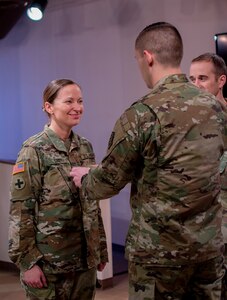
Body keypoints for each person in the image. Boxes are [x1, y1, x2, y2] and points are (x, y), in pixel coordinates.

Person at [70, 22, 227, 299]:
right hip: (208, 249)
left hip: (159, 256)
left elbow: (108, 181)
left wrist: (85, 179)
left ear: (148, 57)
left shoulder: (142, 114)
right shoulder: (215, 108)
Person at [8, 79, 108, 300]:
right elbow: (21, 210)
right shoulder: (33, 150)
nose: (77, 107)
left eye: (80, 101)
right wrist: (28, 262)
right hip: (50, 264)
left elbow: (92, 202)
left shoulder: (85, 147)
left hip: (84, 261)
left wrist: (99, 247)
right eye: (69, 101)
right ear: (49, 107)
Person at [189, 52, 227, 299]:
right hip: (197, 228)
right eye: (191, 79)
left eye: (202, 78)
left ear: (221, 80)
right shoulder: (188, 124)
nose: (196, 85)